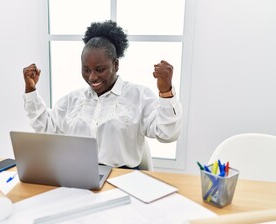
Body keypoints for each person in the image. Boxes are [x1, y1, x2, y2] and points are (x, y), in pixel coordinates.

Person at [22, 20, 182, 169]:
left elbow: (167, 134)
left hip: (123, 180)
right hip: (79, 178)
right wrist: (31, 89)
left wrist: (166, 92)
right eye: (86, 70)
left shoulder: (139, 96)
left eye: (100, 70)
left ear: (116, 64)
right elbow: (46, 126)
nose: (92, 77)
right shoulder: (73, 99)